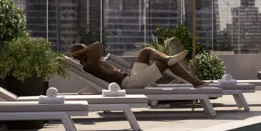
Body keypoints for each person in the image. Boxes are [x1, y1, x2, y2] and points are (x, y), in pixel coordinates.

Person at [68, 41, 205, 89]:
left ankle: (168, 59)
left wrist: (82, 50)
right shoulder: (89, 64)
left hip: (131, 78)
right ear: (79, 54)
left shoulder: (90, 61)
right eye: (85, 49)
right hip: (130, 83)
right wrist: (84, 50)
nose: (88, 49)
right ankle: (195, 82)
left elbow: (96, 47)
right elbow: (98, 45)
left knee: (145, 51)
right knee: (162, 65)